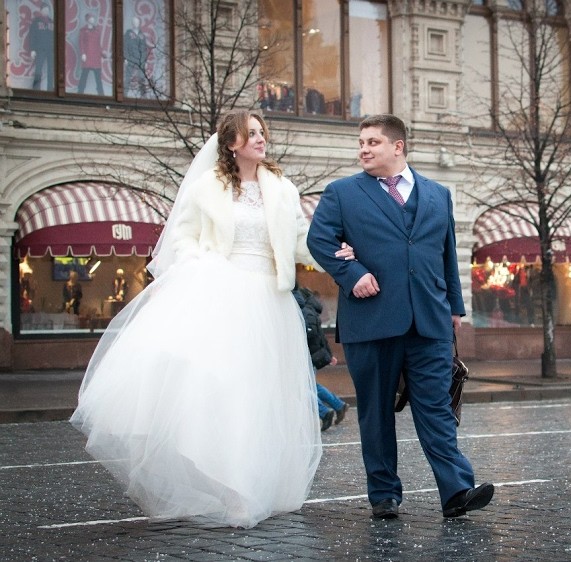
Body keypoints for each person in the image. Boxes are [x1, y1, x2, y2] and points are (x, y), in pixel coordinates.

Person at [70, 110, 354, 529]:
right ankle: (232, 488)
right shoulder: (208, 186)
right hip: (221, 295)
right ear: (232, 143)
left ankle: (260, 483)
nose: (260, 139)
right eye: (251, 133)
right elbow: (182, 237)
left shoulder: (282, 188)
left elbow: (300, 239)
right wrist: (200, 266)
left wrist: (334, 254)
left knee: (263, 396)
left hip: (270, 302)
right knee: (226, 393)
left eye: (262, 132)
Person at [307, 113, 494, 519]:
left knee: (437, 408)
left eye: (372, 142)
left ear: (398, 146)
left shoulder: (438, 194)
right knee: (376, 413)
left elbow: (447, 253)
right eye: (361, 143)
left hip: (430, 320)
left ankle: (457, 491)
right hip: (370, 321)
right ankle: (384, 494)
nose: (364, 149)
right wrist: (352, 274)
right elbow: (318, 240)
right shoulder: (342, 193)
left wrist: (454, 306)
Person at [293, 285, 350, 431]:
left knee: (301, 388)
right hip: (309, 355)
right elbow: (320, 336)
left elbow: (312, 334)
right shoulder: (309, 310)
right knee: (311, 386)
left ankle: (325, 412)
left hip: (307, 356)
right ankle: (338, 405)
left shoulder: (305, 312)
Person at [28, 5, 54, 91]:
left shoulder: (52, 22)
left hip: (51, 49)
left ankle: (50, 89)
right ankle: (36, 89)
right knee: (38, 70)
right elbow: (32, 35)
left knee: (51, 70)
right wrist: (32, 49)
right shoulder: (36, 21)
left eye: (47, 10)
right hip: (40, 49)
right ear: (41, 11)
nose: (46, 12)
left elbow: (55, 37)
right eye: (44, 10)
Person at [78, 13, 105, 95]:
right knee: (84, 75)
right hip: (87, 55)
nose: (93, 19)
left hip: (96, 56)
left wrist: (102, 54)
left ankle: (101, 94)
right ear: (87, 20)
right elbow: (81, 43)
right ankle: (80, 93)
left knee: (98, 78)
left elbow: (98, 44)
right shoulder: (83, 30)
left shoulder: (97, 30)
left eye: (93, 18)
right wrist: (83, 53)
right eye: (91, 18)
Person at [123, 16, 149, 96]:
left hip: (140, 60)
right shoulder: (128, 34)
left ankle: (143, 96)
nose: (135, 24)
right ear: (132, 23)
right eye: (134, 22)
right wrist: (125, 58)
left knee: (142, 78)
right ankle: (124, 94)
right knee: (128, 77)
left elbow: (144, 49)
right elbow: (125, 46)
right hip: (130, 59)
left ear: (139, 23)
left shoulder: (142, 35)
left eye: (137, 22)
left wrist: (145, 61)